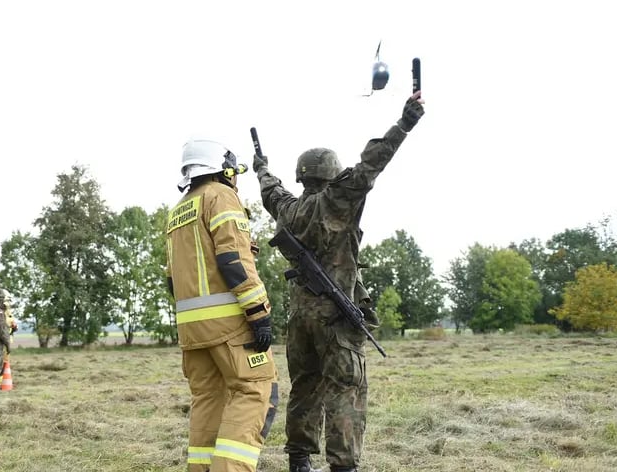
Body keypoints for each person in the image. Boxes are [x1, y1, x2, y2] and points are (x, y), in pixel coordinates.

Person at [253, 92, 425, 472]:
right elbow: (371, 163)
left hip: (300, 319)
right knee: (346, 391)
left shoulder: (289, 208)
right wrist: (405, 124)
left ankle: (299, 461)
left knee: (304, 388)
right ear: (332, 174)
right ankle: (343, 467)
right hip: (336, 320)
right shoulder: (339, 198)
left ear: (302, 175)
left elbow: (270, 190)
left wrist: (261, 167)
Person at [167, 138, 279, 472]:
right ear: (222, 168)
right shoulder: (222, 197)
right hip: (231, 325)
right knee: (254, 391)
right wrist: (258, 313)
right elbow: (233, 260)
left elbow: (173, 279)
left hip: (192, 331)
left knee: (208, 399)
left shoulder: (178, 211)